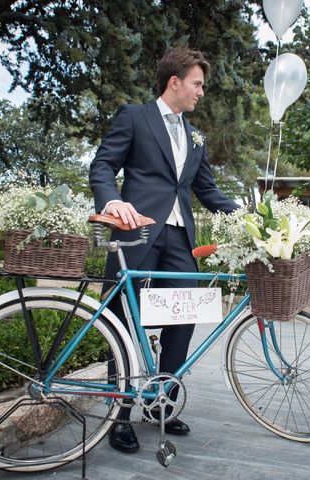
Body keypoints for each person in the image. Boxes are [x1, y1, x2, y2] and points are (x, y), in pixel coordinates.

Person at [89, 47, 239, 453]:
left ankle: (161, 406)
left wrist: (245, 218)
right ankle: (117, 417)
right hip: (135, 231)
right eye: (197, 84)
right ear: (174, 82)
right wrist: (111, 201)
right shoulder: (134, 116)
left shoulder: (195, 136)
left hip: (179, 240)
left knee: (183, 318)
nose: (201, 93)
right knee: (120, 321)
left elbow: (205, 189)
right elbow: (103, 166)